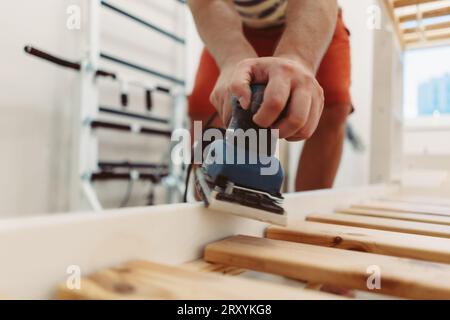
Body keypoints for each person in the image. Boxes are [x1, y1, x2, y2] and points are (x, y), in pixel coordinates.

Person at [187, 0, 352, 191]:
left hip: (314, 18)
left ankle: (306, 210)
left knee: (334, 104)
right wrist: (232, 58)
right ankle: (209, 200)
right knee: (203, 107)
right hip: (233, 25)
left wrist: (299, 57)